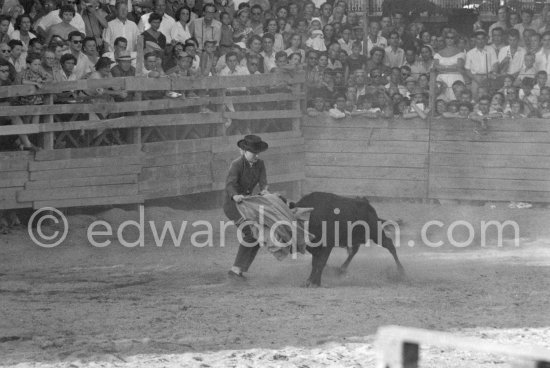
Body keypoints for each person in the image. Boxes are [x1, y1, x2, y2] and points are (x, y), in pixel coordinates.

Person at [224, 134, 269, 280]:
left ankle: (240, 270)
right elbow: (230, 184)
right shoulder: (236, 164)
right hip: (232, 205)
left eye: (257, 152)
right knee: (251, 233)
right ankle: (235, 269)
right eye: (253, 152)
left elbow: (263, 182)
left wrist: (265, 190)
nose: (256, 155)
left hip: (247, 204)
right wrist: (235, 195)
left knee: (258, 234)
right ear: (243, 151)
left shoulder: (260, 164)